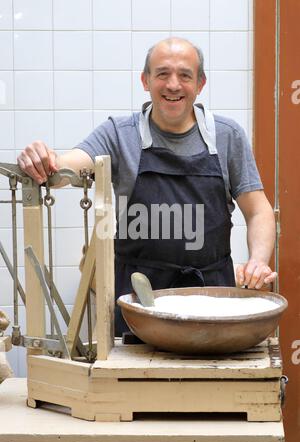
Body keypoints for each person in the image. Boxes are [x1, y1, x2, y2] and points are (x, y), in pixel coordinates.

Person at [17, 37, 277, 336]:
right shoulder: (119, 134)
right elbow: (67, 168)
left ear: (200, 84)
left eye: (185, 75)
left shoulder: (227, 136)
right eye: (162, 74)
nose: (173, 85)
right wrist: (43, 159)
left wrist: (258, 260)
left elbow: (258, 210)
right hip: (137, 301)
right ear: (145, 80)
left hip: (212, 299)